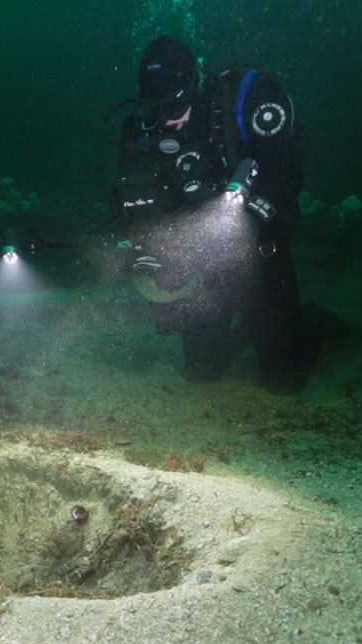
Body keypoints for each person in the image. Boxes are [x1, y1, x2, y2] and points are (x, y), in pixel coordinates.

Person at [110, 35, 311, 394]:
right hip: (202, 266)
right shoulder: (141, 128)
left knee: (285, 380)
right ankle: (245, 334)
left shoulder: (246, 99)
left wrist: (250, 221)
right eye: (156, 109)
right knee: (201, 370)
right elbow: (132, 201)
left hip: (261, 255)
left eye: (174, 105)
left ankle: (308, 326)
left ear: (195, 83)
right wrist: (147, 252)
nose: (169, 120)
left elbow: (285, 171)